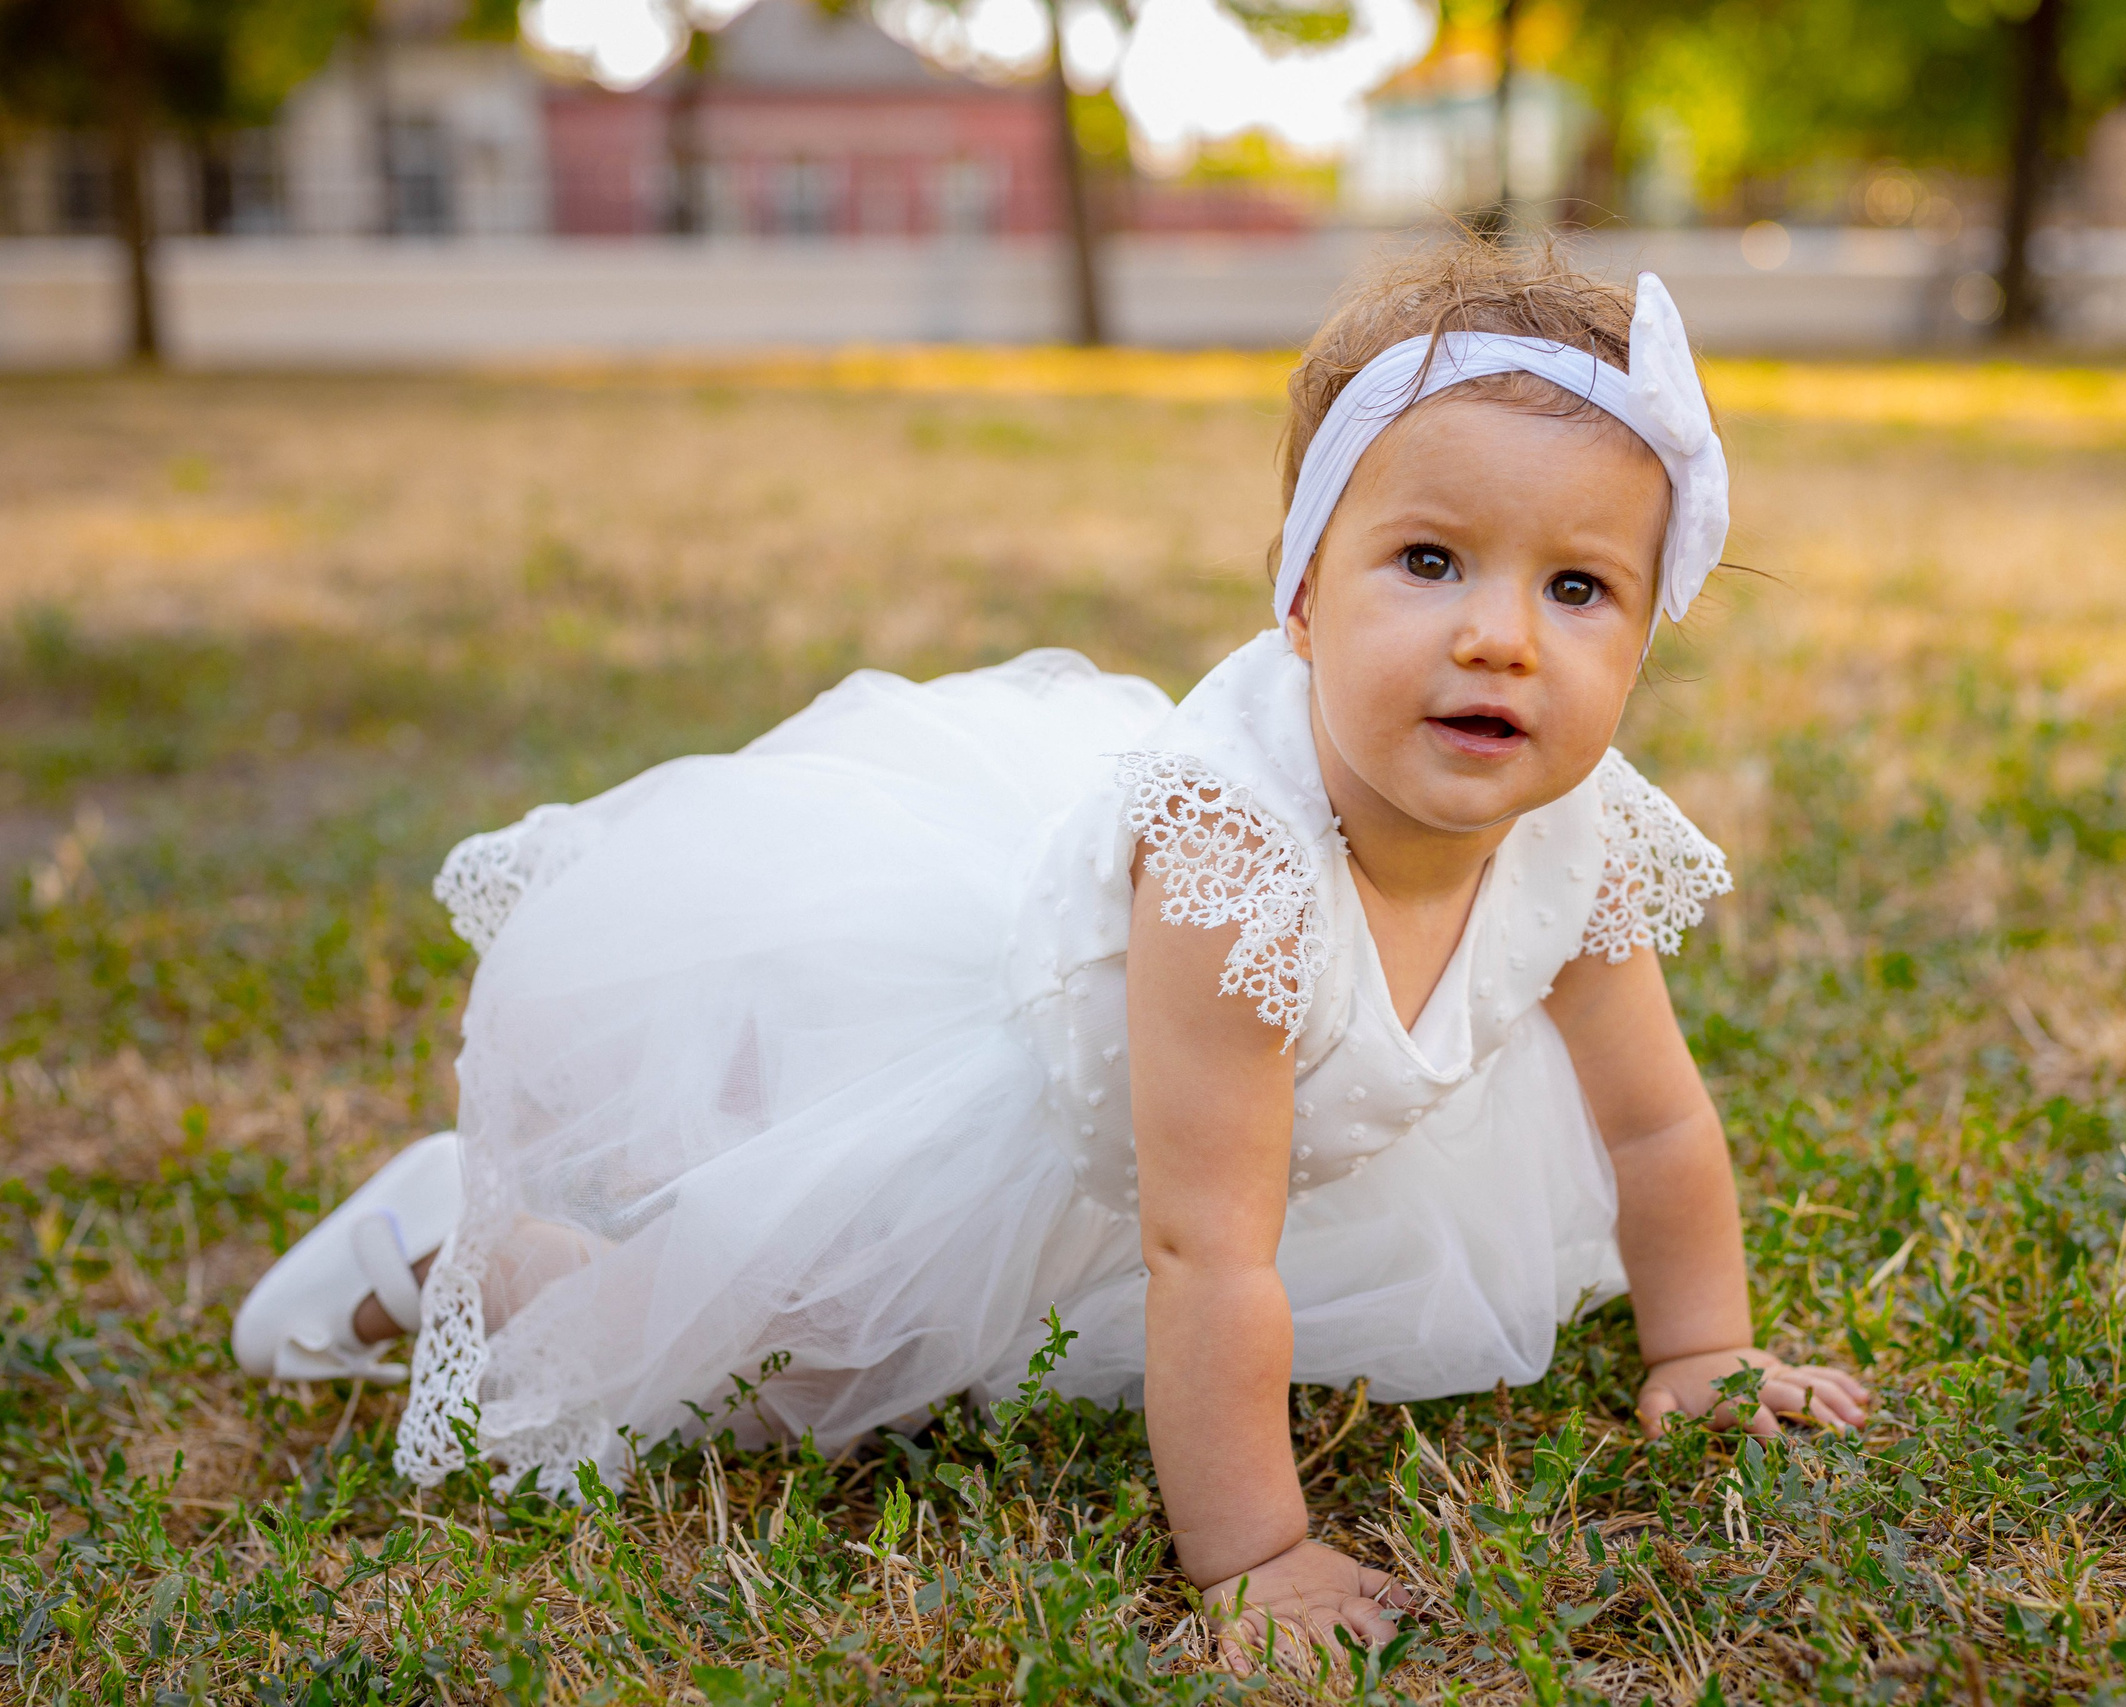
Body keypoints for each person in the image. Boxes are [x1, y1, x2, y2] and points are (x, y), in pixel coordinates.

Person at [232, 241, 1869, 1662]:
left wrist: (1705, 1352)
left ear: (1649, 637)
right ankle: (460, 1238)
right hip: (1025, 1121)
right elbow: (1204, 1256)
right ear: (1302, 594)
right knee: (797, 1387)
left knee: (1085, 1363)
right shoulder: (1232, 868)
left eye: (1578, 587)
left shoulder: (1576, 835)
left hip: (1269, 1148)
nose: (1497, 631)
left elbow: (1653, 1121)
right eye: (1428, 561)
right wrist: (1254, 1558)